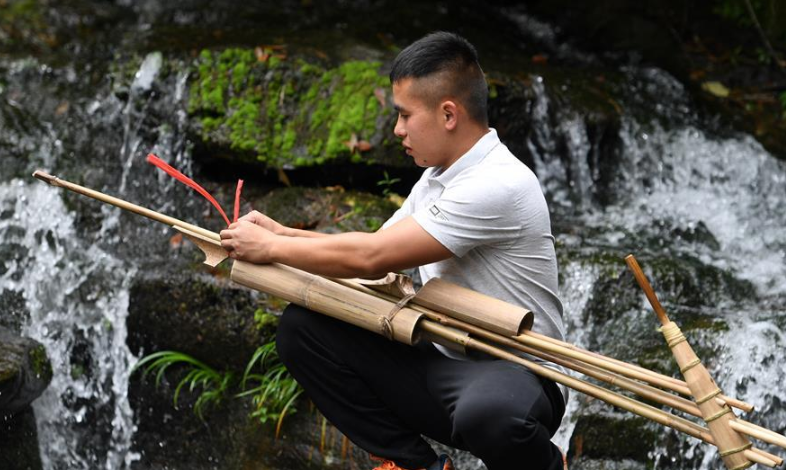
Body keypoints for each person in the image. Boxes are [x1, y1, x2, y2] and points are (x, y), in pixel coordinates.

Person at [220, 31, 567, 470]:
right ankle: (414, 465)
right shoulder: (438, 177)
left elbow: (373, 257)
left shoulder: (498, 183)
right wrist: (282, 234)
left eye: (404, 115)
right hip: (444, 358)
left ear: (448, 114)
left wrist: (272, 247)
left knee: (489, 414)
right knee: (302, 328)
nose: (397, 129)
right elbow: (372, 253)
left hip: (520, 376)